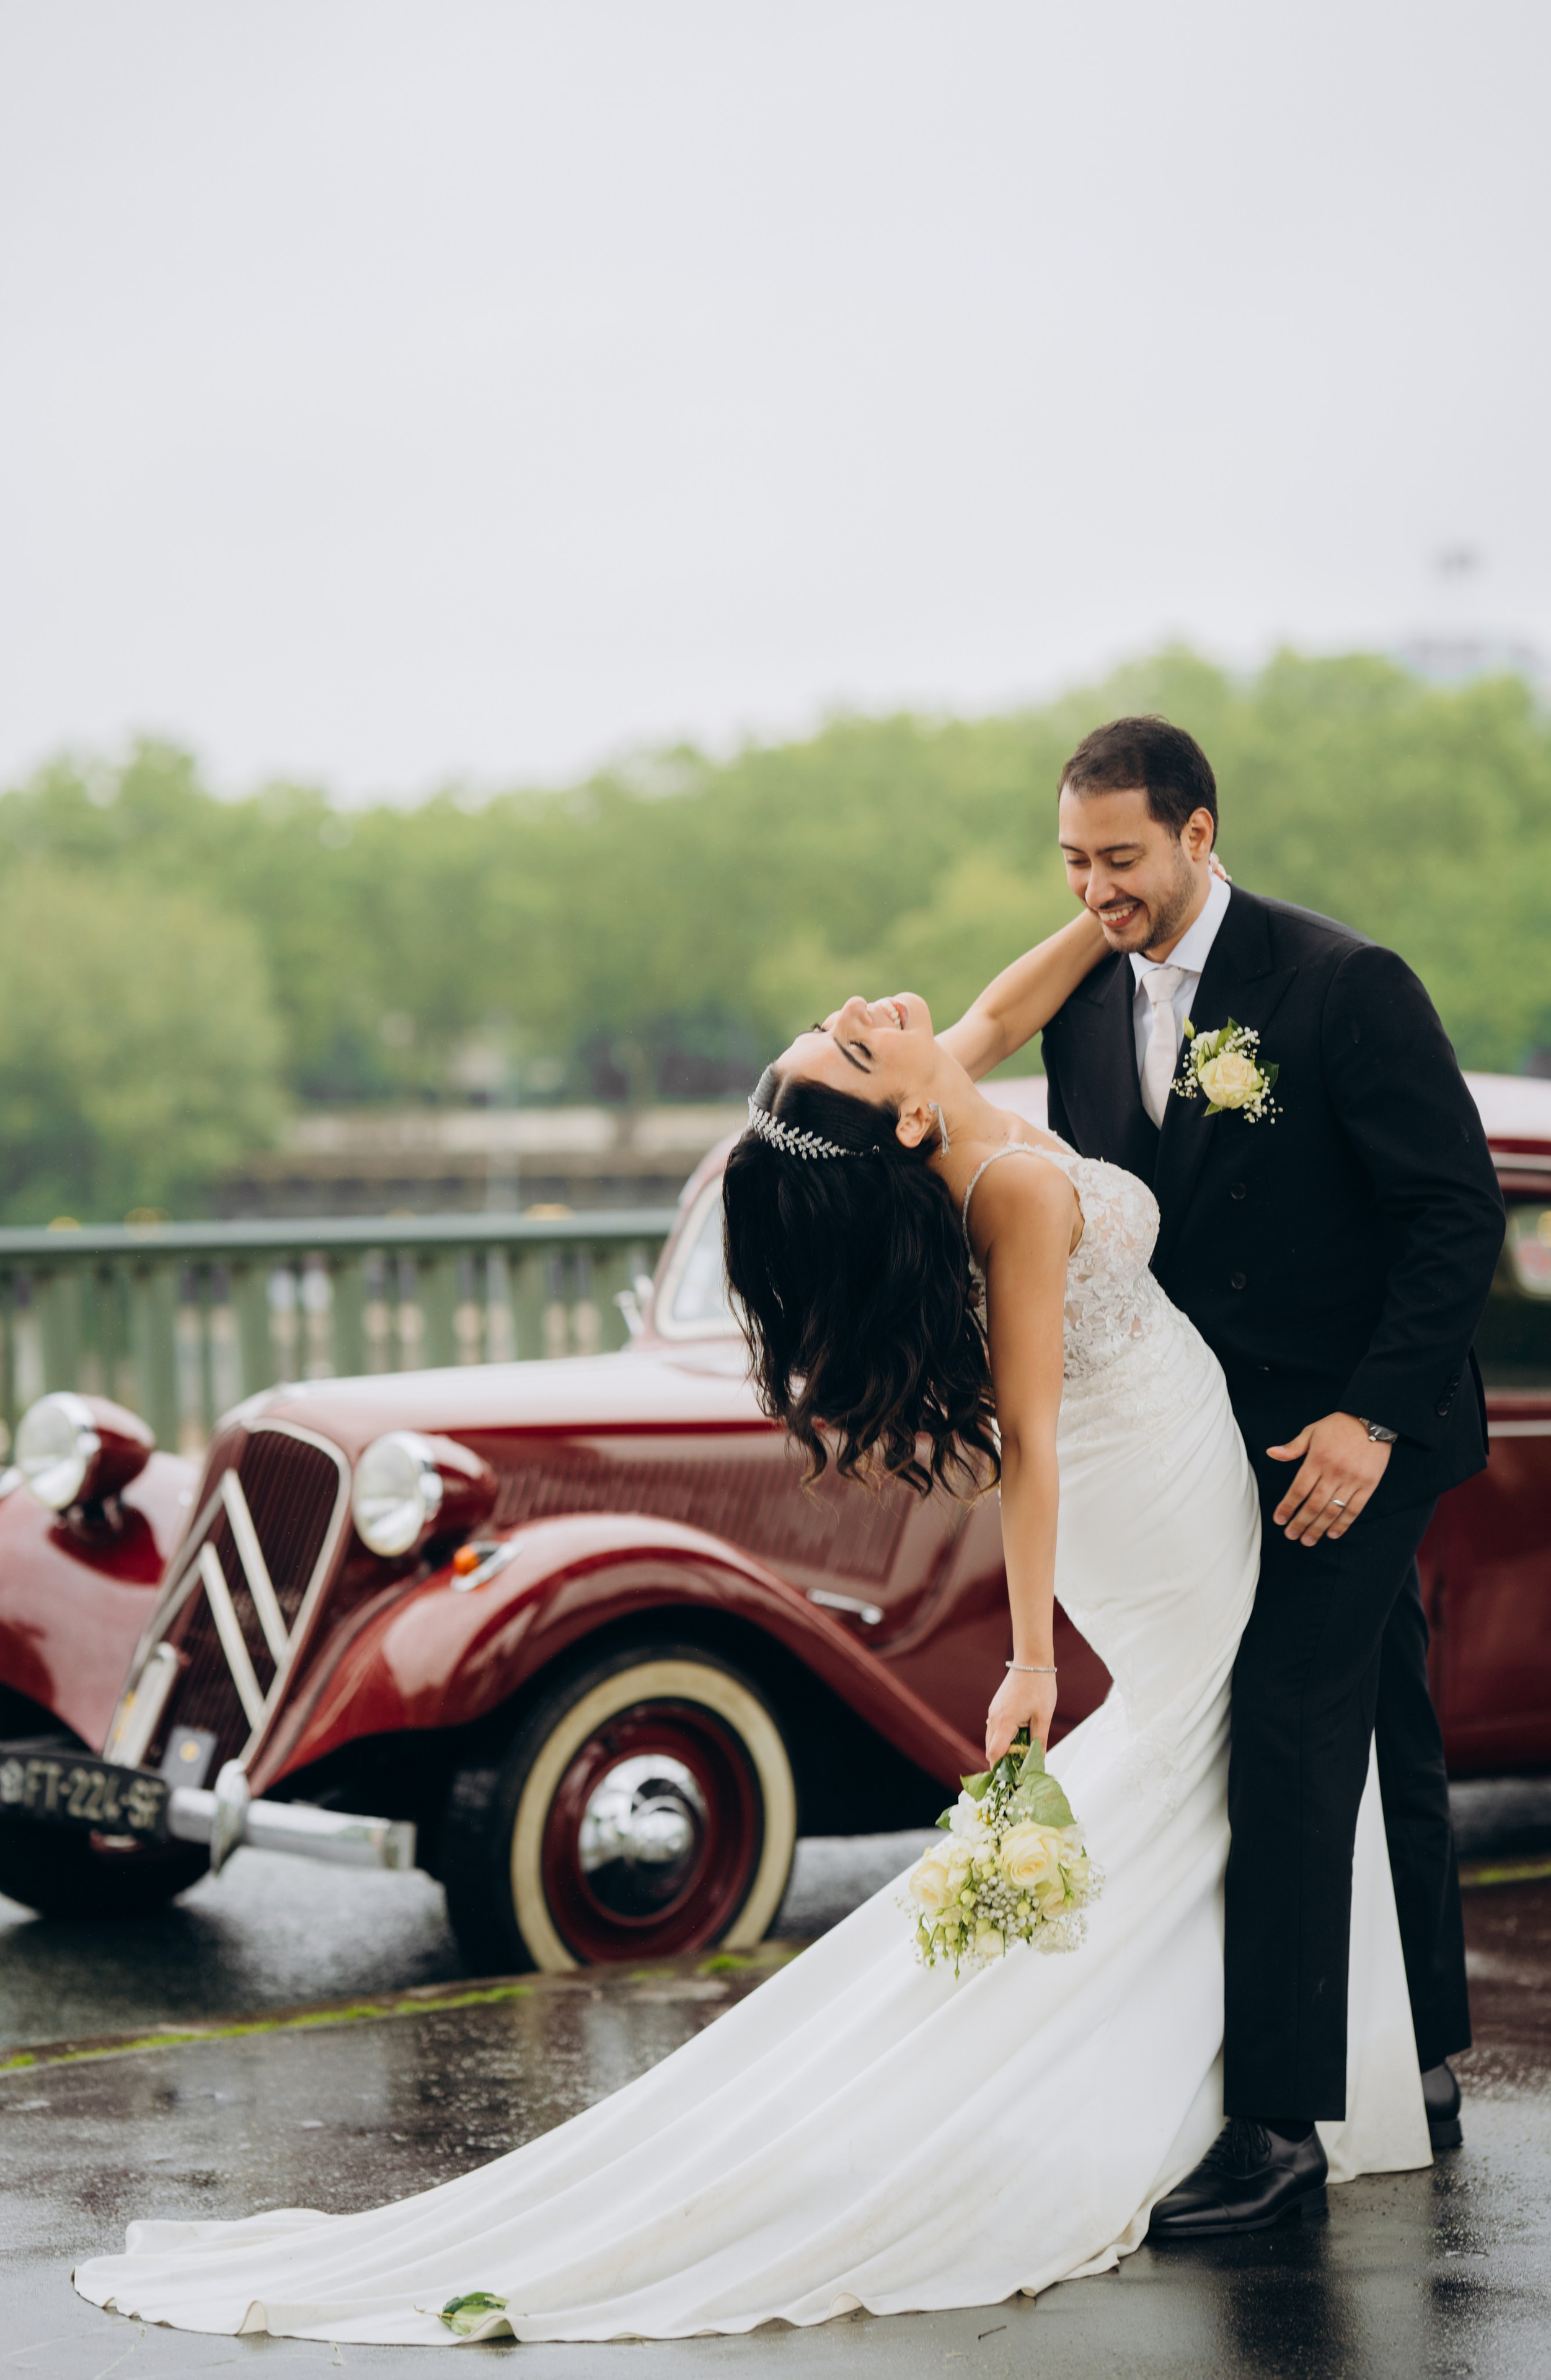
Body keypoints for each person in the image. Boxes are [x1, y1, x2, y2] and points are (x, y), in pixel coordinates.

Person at [74, 907, 1434, 2345]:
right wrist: (1030, 1658)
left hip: (1166, 1448)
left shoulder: (934, 1098)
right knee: (1205, 1747)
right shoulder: (1008, 1196)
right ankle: (1163, 2085)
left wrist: (1103, 908)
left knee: (1256, 1756)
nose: (863, 1005)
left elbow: (1003, 999)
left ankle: (1269, 2076)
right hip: (1142, 1495)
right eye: (849, 1038)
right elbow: (1027, 1445)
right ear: (900, 1105)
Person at [958, 715, 1506, 2232]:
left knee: (1285, 1717)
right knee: (1383, 1710)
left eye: (1119, 859)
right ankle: (1425, 2056)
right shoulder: (1082, 992)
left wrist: (1368, 1424)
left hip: (1348, 1430)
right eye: (1069, 862)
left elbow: (1454, 1214)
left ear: (1200, 834)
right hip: (1204, 1430)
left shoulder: (1342, 984)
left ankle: (1275, 2125)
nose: (1092, 891)